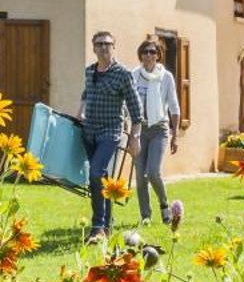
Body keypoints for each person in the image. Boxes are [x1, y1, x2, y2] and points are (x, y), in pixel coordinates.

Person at [77, 30, 142, 242]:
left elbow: (135, 107)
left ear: (114, 47)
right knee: (100, 178)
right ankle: (105, 226)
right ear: (94, 48)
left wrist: (135, 136)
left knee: (96, 173)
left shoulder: (123, 74)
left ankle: (97, 226)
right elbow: (86, 93)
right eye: (99, 44)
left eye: (107, 44)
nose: (104, 47)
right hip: (89, 132)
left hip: (110, 132)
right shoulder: (89, 72)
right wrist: (80, 112)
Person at [130, 38, 181, 226]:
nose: (149, 55)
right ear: (140, 55)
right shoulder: (134, 75)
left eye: (152, 52)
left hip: (159, 128)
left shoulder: (166, 77)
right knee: (140, 175)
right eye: (145, 52)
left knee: (152, 172)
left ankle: (164, 203)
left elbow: (174, 107)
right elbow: (127, 102)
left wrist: (175, 135)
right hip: (139, 128)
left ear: (158, 55)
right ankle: (146, 216)